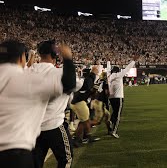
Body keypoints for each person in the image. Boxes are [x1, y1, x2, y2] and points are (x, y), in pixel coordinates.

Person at [0, 40, 76, 168]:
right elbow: (69, 83)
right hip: (15, 149)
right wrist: (68, 57)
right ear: (21, 58)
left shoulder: (28, 71)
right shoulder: (26, 77)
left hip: (31, 136)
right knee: (65, 159)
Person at [108, 55, 139, 138]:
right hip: (118, 97)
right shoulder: (119, 75)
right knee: (117, 115)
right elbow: (127, 68)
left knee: (114, 113)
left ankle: (110, 124)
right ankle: (114, 131)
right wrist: (133, 61)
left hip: (111, 98)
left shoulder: (110, 77)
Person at [70, 66, 100, 147]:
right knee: (86, 120)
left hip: (77, 101)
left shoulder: (84, 80)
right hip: (78, 102)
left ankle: (79, 138)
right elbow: (87, 89)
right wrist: (93, 90)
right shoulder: (86, 81)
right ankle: (86, 137)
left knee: (83, 121)